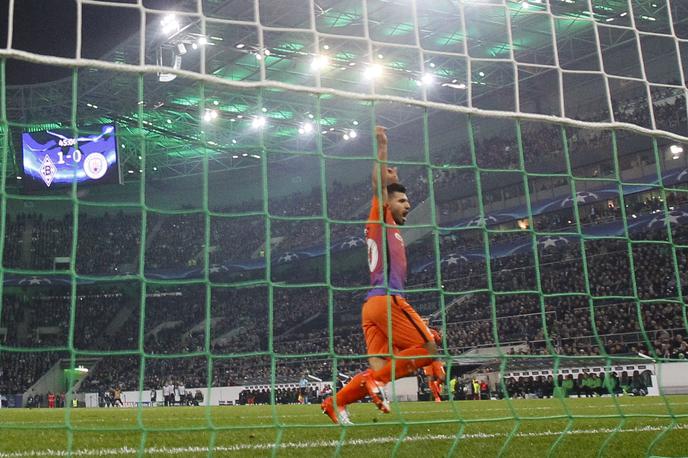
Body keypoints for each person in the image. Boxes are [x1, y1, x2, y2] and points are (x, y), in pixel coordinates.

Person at [322, 126, 443, 425]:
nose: (408, 205)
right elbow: (378, 186)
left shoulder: (391, 230)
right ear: (388, 203)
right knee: (429, 348)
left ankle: (334, 403)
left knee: (382, 367)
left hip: (372, 307)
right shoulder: (381, 217)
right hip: (386, 300)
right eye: (402, 201)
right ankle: (371, 382)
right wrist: (382, 146)